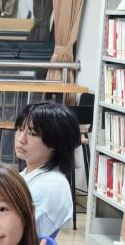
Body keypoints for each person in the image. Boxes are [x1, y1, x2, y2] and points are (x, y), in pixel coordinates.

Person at [13, 102, 80, 238]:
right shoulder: (28, 174)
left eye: (32, 133)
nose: (21, 139)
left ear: (56, 142)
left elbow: (22, 235)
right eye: (20, 129)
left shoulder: (52, 185)